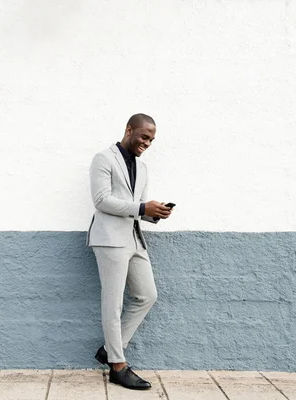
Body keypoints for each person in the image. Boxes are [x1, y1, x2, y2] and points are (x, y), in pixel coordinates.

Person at [87, 113, 173, 390]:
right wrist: (141, 208)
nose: (147, 142)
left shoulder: (143, 167)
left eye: (151, 139)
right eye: (144, 136)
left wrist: (154, 213)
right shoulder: (104, 158)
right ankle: (118, 366)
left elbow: (136, 206)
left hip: (134, 239)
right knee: (113, 303)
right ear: (129, 130)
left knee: (147, 295)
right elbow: (101, 201)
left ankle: (111, 350)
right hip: (109, 239)